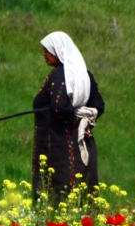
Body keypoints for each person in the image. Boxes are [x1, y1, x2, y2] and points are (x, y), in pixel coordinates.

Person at [32, 31, 105, 203]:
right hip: (82, 142)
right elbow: (98, 106)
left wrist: (73, 118)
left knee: (58, 193)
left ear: (59, 51)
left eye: (48, 50)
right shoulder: (83, 74)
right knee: (82, 189)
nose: (44, 54)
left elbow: (60, 107)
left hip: (59, 146)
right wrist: (84, 122)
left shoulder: (60, 75)